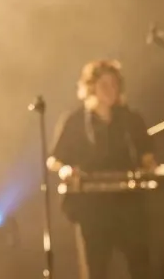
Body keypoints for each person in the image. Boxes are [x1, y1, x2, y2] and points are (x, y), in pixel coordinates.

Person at [49, 60, 156, 279]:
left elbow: (147, 156)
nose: (111, 90)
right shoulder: (75, 121)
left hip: (129, 203)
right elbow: (54, 160)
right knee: (96, 268)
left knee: (141, 266)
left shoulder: (131, 119)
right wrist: (66, 170)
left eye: (114, 85)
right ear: (91, 88)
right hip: (91, 206)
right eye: (104, 85)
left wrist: (148, 167)